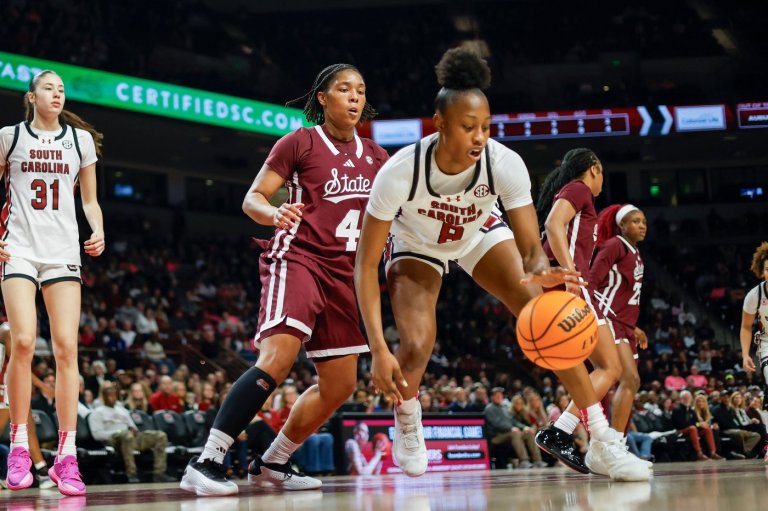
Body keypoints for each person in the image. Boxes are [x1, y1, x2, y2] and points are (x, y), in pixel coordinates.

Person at [354, 48, 649, 482]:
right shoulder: (399, 171)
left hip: (477, 231)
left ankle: (602, 441)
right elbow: (364, 266)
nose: (479, 137)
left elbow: (530, 246)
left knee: (544, 314)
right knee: (415, 345)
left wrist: (540, 270)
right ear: (440, 124)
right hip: (417, 242)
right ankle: (409, 416)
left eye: (486, 127)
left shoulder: (503, 162)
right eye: (468, 127)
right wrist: (379, 349)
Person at [180, 62, 388, 496]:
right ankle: (206, 461)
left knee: (341, 384)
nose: (355, 96)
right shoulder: (300, 142)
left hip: (346, 275)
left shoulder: (377, 157)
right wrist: (274, 212)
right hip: (300, 258)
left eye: (361, 89)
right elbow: (252, 199)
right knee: (277, 357)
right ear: (322, 98)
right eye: (344, 89)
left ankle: (272, 462)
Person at [0, 69, 105, 496]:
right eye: (48, 88)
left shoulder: (80, 142)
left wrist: (98, 229)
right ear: (31, 96)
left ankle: (67, 456)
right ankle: (19, 446)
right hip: (18, 248)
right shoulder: (9, 137)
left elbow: (90, 200)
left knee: (66, 348)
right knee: (23, 341)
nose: (57, 93)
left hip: (62, 251)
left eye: (61, 89)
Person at [536, 149, 647, 472]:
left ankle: (565, 433)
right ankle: (566, 433)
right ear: (594, 169)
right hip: (573, 285)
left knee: (605, 369)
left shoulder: (575, 195)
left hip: (564, 285)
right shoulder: (579, 188)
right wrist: (570, 272)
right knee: (610, 368)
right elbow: (553, 224)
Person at [589, 204, 648, 431]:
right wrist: (597, 315)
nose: (642, 226)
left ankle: (617, 440)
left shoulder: (635, 253)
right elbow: (592, 282)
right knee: (630, 379)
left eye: (643, 222)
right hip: (608, 319)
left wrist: (634, 327)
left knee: (629, 382)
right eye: (635, 221)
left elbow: (625, 297)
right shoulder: (615, 245)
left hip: (624, 324)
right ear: (622, 225)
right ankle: (613, 440)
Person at [0, 322, 55, 489]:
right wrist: (43, 386)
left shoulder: (18, 331)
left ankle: (42, 471)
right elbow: (19, 364)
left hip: (14, 384)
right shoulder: (7, 330)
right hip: (3, 385)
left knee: (28, 426)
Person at [88, 383, 174, 483]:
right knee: (127, 436)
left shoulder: (123, 410)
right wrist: (120, 432)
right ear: (104, 397)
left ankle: (159, 473)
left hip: (131, 438)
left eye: (114, 395)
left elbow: (133, 427)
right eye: (109, 395)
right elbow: (97, 435)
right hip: (114, 441)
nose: (112, 397)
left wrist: (134, 430)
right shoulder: (97, 412)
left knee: (160, 436)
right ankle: (131, 474)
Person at [740, 242, 768, 395]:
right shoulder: (754, 296)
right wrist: (745, 355)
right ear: (762, 271)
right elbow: (746, 327)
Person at [672, 390, 723, 461]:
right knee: (692, 428)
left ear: (691, 399)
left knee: (707, 428)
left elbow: (695, 423)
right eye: (685, 398)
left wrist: (700, 424)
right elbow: (681, 424)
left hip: (692, 430)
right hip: (681, 431)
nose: (687, 400)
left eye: (688, 398)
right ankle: (699, 453)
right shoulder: (677, 410)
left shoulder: (691, 411)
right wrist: (696, 424)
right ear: (681, 399)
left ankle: (712, 452)